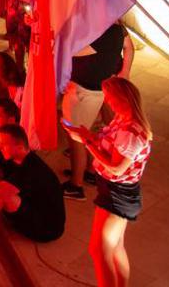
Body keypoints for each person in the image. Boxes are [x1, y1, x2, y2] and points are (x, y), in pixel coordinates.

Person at [65, 77, 152, 287]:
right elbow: (109, 148)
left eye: (111, 98)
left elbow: (116, 167)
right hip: (113, 190)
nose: (108, 102)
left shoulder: (131, 131)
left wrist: (86, 141)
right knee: (115, 246)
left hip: (117, 194)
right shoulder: (122, 118)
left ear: (122, 99)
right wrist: (86, 136)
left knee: (99, 249)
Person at [63, 21, 132, 200]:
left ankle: (76, 185)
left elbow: (72, 50)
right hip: (97, 88)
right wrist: (125, 73)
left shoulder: (103, 33)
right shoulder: (117, 29)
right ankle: (90, 171)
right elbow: (129, 48)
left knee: (77, 136)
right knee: (87, 131)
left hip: (85, 91)